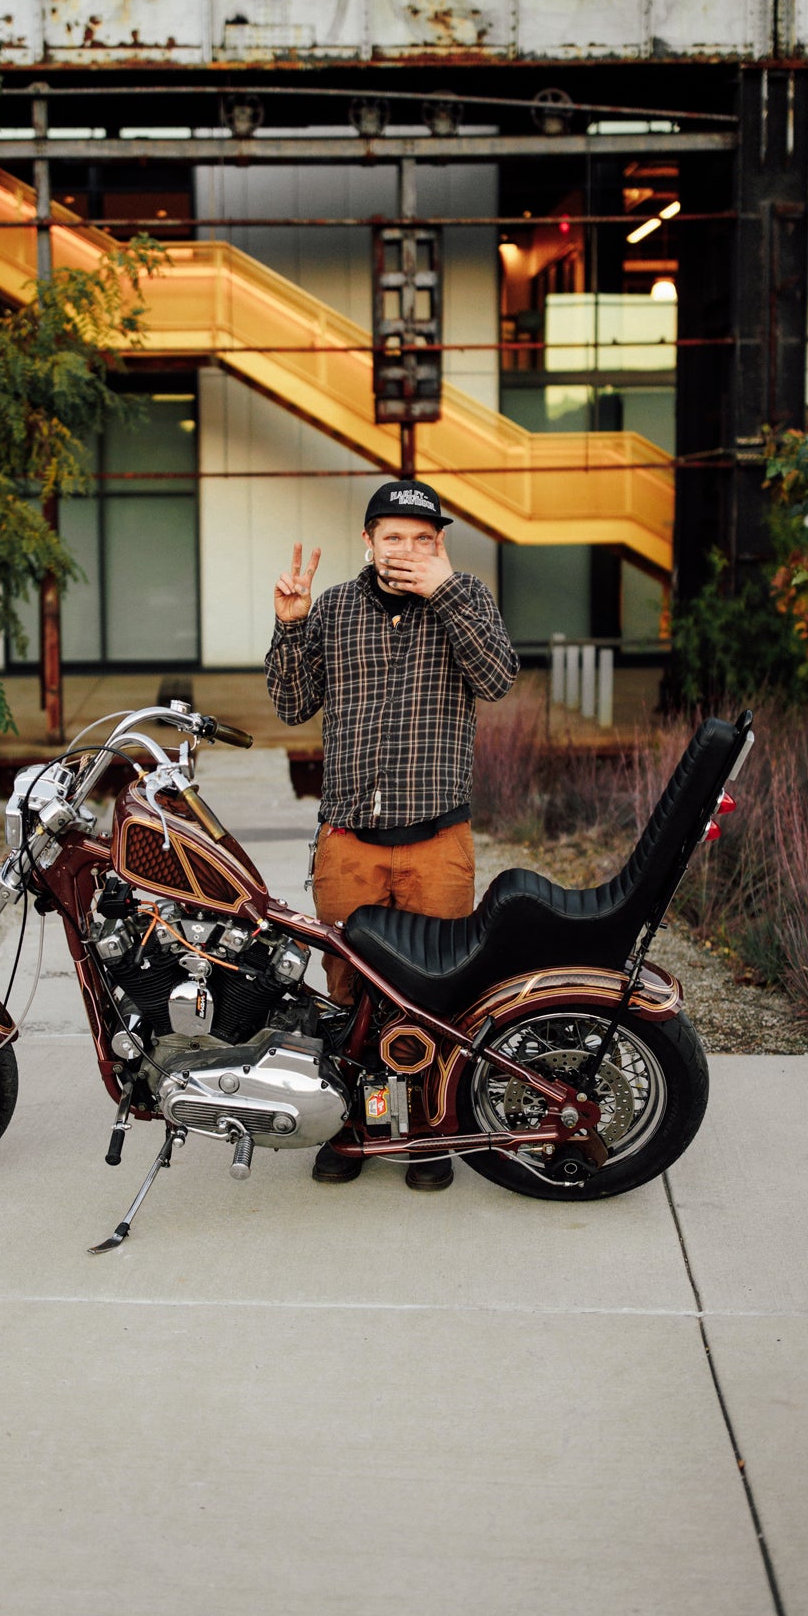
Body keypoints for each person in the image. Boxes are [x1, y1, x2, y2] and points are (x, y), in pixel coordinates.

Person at [265, 478, 519, 1191]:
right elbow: (291, 704)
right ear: (369, 541)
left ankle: (429, 1133)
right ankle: (356, 1126)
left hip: (437, 844)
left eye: (423, 538)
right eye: (394, 536)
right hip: (348, 843)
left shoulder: (465, 601)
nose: (408, 549)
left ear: (440, 545)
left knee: (435, 992)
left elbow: (498, 679)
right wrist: (290, 622)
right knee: (348, 993)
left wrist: (447, 593)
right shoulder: (337, 608)